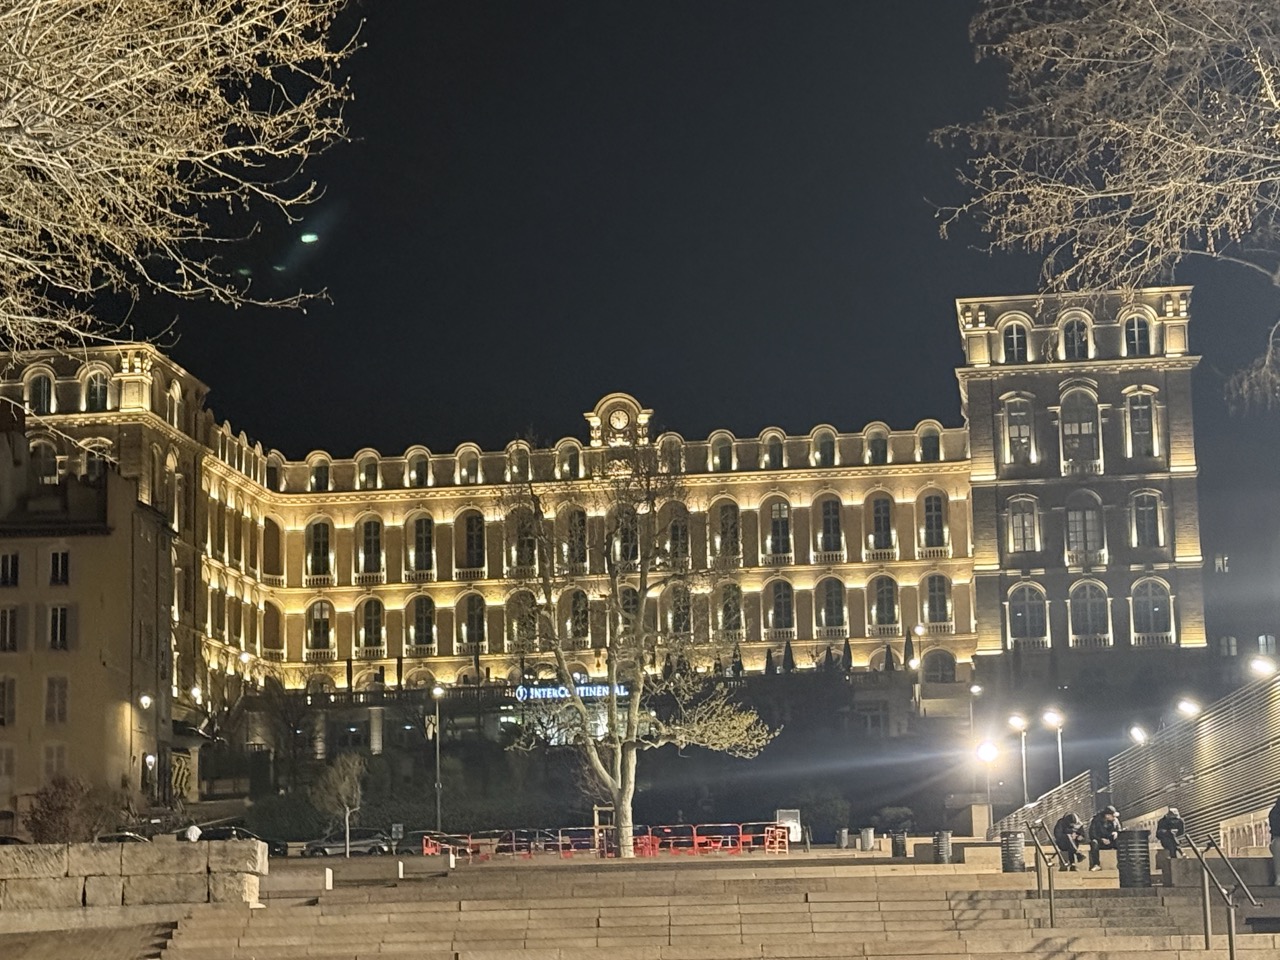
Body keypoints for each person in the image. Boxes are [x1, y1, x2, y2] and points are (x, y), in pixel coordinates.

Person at [1088, 805, 1122, 871]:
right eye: (1113, 816)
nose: (1114, 818)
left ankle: (1121, 863)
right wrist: (1101, 840)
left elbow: (1119, 830)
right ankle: (1096, 864)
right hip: (1100, 842)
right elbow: (1092, 834)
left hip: (1111, 840)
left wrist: (1116, 833)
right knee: (1094, 843)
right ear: (1107, 815)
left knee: (1120, 842)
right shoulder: (1096, 820)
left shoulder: (1115, 821)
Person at [1269, 796, 1280, 886]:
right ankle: (1279, 877)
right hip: (1278, 839)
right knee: (1278, 844)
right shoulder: (1276, 811)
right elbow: (1276, 830)